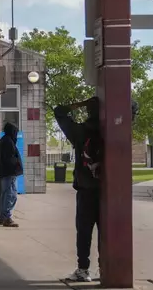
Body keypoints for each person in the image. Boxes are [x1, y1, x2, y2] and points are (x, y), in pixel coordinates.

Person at [54, 97, 103, 282]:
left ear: (89, 112)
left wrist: (82, 103)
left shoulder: (79, 132)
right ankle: (105, 268)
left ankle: (83, 270)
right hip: (107, 192)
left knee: (84, 232)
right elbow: (132, 108)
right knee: (105, 232)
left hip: (85, 189)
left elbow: (59, 110)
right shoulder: (112, 131)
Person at [0, 122, 24, 228]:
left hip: (5, 172)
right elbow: (10, 159)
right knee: (11, 195)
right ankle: (7, 217)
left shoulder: (4, 140)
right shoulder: (8, 142)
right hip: (9, 172)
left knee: (5, 195)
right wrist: (16, 165)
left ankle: (3, 217)